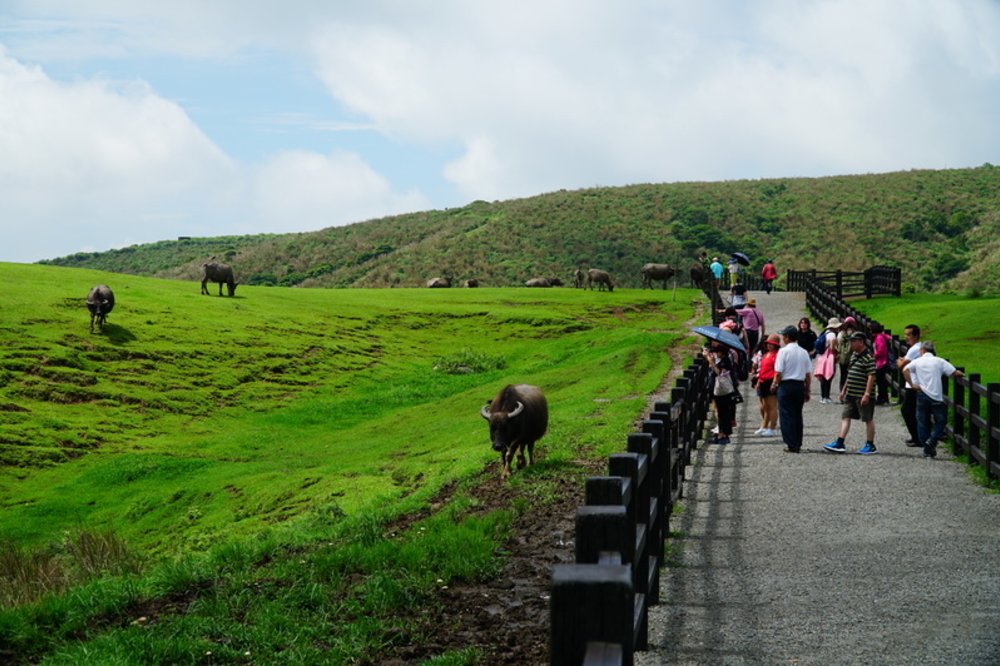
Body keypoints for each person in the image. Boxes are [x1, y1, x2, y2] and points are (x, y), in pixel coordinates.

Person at [903, 341, 965, 459]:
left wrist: (912, 384)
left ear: (922, 350)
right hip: (936, 396)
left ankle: (927, 448)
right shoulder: (939, 361)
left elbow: (905, 369)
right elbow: (954, 372)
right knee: (941, 421)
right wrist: (962, 375)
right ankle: (932, 441)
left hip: (921, 394)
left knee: (922, 421)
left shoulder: (917, 361)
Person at [824, 332, 877, 455]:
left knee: (867, 419)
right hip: (851, 393)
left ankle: (870, 444)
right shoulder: (854, 355)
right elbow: (850, 372)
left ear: (861, 342)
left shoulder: (868, 357)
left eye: (854, 341)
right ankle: (840, 442)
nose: (851, 344)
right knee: (845, 416)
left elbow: (871, 376)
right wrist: (843, 390)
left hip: (862, 394)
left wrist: (867, 394)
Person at [772, 325, 812, 452]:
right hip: (799, 385)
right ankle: (798, 441)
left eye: (784, 336)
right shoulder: (804, 352)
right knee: (797, 414)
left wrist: (774, 384)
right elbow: (807, 375)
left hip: (786, 385)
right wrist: (807, 389)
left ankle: (791, 443)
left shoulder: (783, 352)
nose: (783, 338)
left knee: (786, 414)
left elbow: (778, 372)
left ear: (788, 337)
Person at [704, 340, 738, 445]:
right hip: (722, 392)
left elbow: (719, 373)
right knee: (722, 413)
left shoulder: (725, 361)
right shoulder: (723, 359)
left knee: (723, 413)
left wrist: (711, 362)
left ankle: (723, 435)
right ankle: (721, 434)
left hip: (724, 392)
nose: (716, 353)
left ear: (722, 352)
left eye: (717, 352)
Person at [896, 324, 923, 447]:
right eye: (905, 334)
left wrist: (899, 362)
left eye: (908, 335)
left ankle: (917, 438)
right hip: (913, 383)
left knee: (907, 410)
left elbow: (901, 366)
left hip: (913, 384)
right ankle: (916, 437)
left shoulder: (914, 349)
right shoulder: (917, 348)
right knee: (912, 411)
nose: (905, 337)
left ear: (916, 336)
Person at [753, 334, 781, 437]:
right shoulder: (767, 354)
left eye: (772, 344)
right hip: (763, 381)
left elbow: (777, 370)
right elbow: (762, 369)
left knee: (772, 406)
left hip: (770, 381)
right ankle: (764, 426)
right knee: (764, 406)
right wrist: (759, 381)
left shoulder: (777, 355)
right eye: (768, 344)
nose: (769, 346)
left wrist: (774, 382)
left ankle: (772, 427)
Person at [813, 317, 841, 403]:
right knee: (828, 377)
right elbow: (832, 347)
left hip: (822, 357)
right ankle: (826, 396)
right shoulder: (832, 335)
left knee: (823, 377)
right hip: (829, 357)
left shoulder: (825, 333)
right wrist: (837, 351)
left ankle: (823, 397)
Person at [870, 322, 892, 405]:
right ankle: (883, 397)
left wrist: (874, 356)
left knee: (880, 381)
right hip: (881, 361)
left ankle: (881, 398)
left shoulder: (879, 338)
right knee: (881, 381)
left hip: (881, 362)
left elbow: (881, 350)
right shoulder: (881, 336)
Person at [836, 316, 858, 393]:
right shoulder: (855, 334)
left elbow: (838, 345)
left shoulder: (841, 334)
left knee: (843, 375)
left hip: (842, 358)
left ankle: (842, 392)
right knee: (852, 376)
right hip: (852, 358)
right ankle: (850, 392)